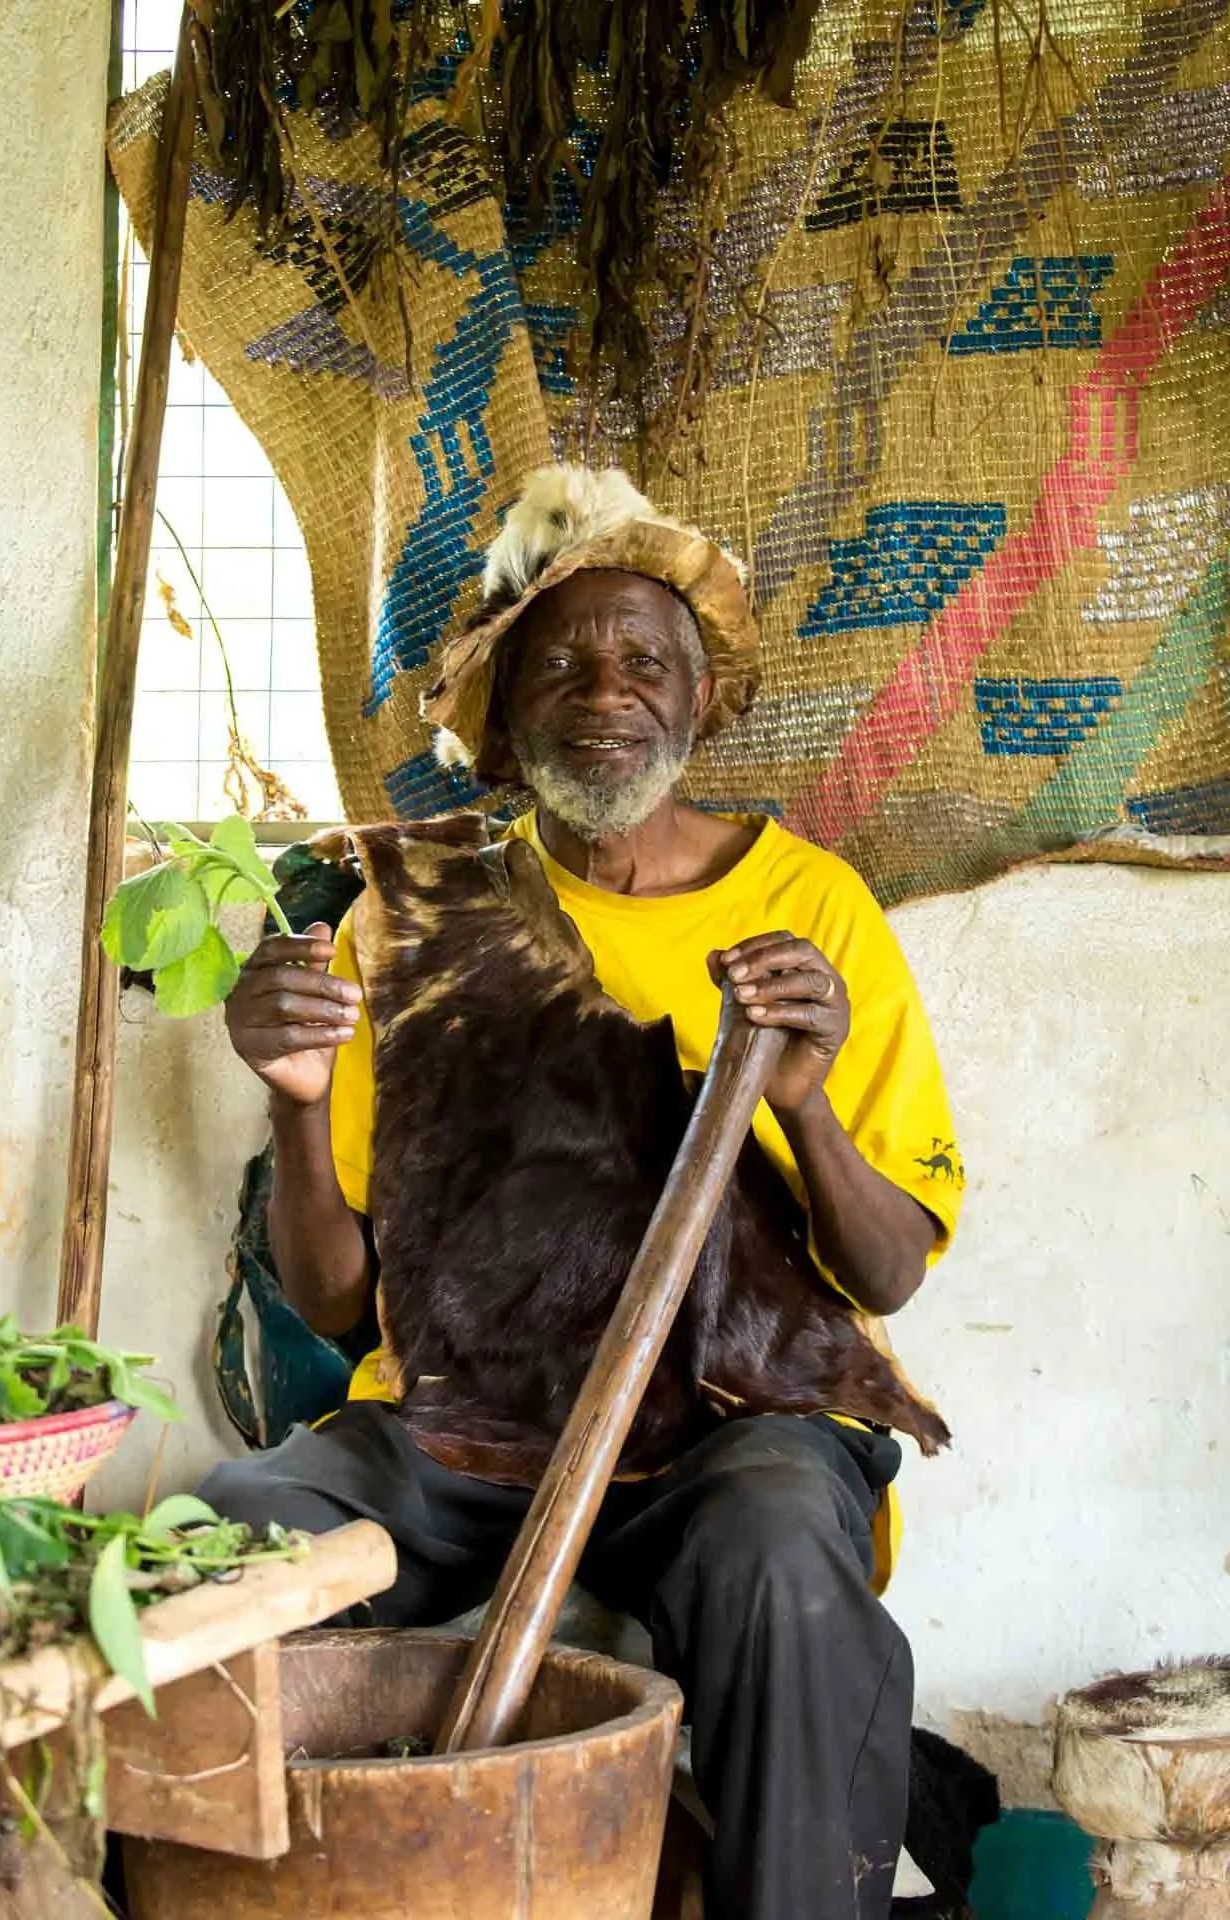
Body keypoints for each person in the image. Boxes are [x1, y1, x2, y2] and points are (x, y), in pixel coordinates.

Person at [202, 464, 964, 1920]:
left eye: (646, 659)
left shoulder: (813, 913)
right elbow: (335, 1297)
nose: (605, 688)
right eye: (559, 659)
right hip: (456, 1427)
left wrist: (804, 1105)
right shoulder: (415, 912)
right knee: (232, 1543)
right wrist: (295, 1112)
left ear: (699, 700)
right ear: (500, 717)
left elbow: (887, 1276)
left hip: (736, 1429)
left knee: (780, 1565)